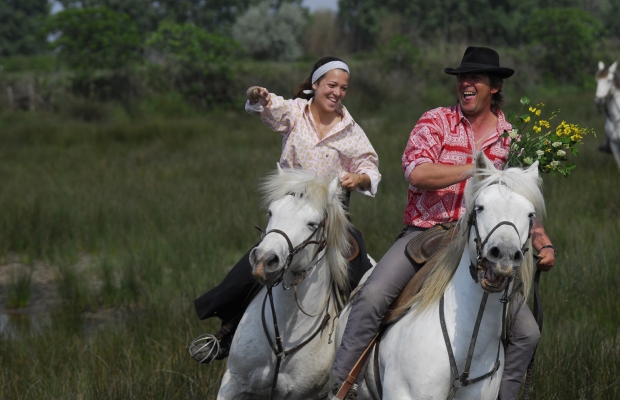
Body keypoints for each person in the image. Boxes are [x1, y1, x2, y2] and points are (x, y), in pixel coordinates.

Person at [329, 47, 556, 400]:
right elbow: (416, 172)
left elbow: (520, 204)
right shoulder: (435, 121)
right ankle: (339, 388)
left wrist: (542, 242)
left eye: (474, 78)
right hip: (425, 233)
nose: (465, 84)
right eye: (461, 78)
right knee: (373, 296)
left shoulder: (513, 138)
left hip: (481, 242)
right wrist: (476, 170)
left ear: (494, 86)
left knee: (527, 332)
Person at [190, 56, 382, 365]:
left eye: (343, 88)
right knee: (255, 265)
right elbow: (267, 106)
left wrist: (357, 177)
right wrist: (258, 95)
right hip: (291, 209)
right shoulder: (295, 112)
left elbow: (371, 167)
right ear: (316, 84)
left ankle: (359, 349)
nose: (337, 93)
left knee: (358, 267)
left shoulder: (351, 130)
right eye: (331, 85)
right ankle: (226, 334)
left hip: (329, 215)